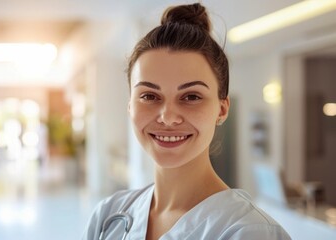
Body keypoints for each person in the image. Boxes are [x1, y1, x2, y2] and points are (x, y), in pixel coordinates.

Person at [83, 3, 291, 240]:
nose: (168, 117)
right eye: (149, 96)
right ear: (130, 107)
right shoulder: (108, 216)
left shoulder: (250, 233)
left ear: (222, 110)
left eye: (191, 97)